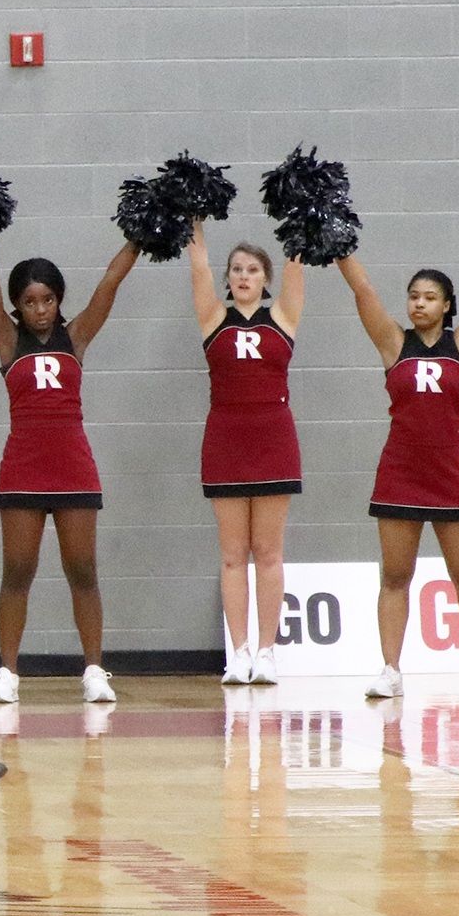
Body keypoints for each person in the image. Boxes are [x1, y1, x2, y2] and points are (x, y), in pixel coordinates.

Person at [337, 251, 459, 699]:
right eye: (413, 297)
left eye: (429, 297)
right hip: (400, 472)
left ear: (447, 305)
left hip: (452, 474)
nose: (418, 304)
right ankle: (391, 671)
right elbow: (364, 292)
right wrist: (338, 245)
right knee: (395, 576)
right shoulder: (393, 344)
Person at [0, 238, 138, 705]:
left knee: (82, 570)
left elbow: (110, 282)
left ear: (59, 300)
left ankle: (93, 671)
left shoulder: (76, 337)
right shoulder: (7, 340)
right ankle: (6, 672)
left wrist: (140, 236)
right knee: (17, 572)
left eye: (48, 299)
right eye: (29, 302)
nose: (40, 309)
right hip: (22, 468)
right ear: (17, 306)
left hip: (74, 468)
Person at [184, 224, 305, 685]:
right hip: (226, 441)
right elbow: (198, 264)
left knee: (269, 552)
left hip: (274, 440)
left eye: (253, 269)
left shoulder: (284, 318)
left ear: (265, 278)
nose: (243, 276)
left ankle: (268, 652)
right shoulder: (214, 319)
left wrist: (301, 212)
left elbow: (297, 264)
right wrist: (194, 221)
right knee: (233, 554)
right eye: (235, 269)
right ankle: (238, 653)